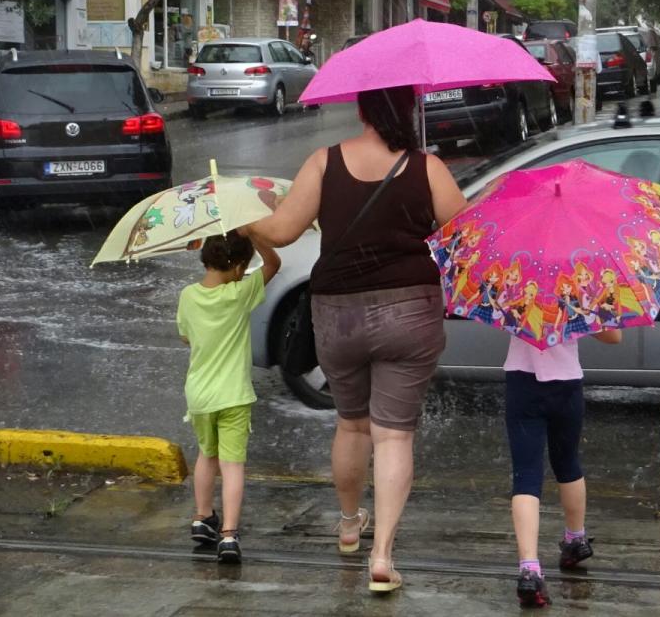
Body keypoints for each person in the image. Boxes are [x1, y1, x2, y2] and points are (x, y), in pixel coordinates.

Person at [241, 85, 467, 593]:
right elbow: (463, 233)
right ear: (408, 111)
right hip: (411, 312)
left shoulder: (324, 162)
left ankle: (348, 525)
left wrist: (243, 213)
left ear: (362, 109)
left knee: (351, 425)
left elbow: (279, 232)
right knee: (393, 435)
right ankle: (383, 556)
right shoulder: (426, 167)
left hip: (338, 314)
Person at [176, 231, 280, 564]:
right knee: (232, 464)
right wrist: (255, 234)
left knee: (207, 455)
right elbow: (275, 263)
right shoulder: (240, 293)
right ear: (237, 267)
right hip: (233, 395)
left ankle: (203, 517)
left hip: (199, 396)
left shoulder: (188, 296)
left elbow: (185, 338)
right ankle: (229, 535)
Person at [503, 329, 622, 608]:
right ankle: (575, 538)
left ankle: (529, 569)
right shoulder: (580, 291)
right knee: (568, 463)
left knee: (526, 475)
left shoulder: (515, 285)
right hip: (567, 382)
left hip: (522, 381)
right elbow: (614, 337)